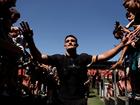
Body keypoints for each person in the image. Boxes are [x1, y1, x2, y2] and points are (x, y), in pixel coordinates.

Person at [19, 21, 134, 105]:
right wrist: (30, 40)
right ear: (64, 45)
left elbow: (103, 57)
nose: (70, 42)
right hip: (61, 100)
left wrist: (121, 45)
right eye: (67, 41)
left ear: (77, 45)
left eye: (73, 41)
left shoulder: (83, 58)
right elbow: (38, 57)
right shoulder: (58, 58)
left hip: (80, 100)